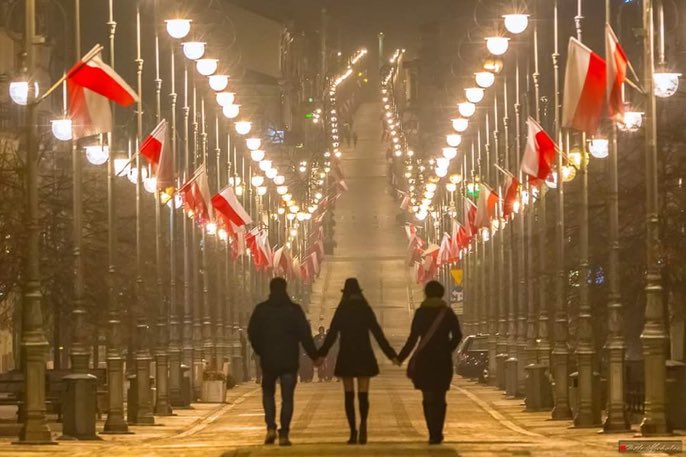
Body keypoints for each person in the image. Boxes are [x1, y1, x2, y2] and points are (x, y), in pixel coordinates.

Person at [317, 278, 398, 445]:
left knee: (348, 394)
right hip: (364, 354)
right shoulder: (364, 308)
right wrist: (391, 354)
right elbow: (377, 332)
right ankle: (364, 425)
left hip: (346, 353)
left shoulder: (342, 309)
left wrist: (321, 354)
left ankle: (353, 431)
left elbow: (332, 334)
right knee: (363, 393)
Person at [248, 277, 322, 446]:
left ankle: (270, 428)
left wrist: (260, 350)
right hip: (289, 361)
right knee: (287, 398)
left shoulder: (261, 310)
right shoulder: (294, 310)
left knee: (268, 394)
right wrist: (315, 356)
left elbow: (252, 332)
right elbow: (305, 335)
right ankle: (284, 433)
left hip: (269, 361)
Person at [397, 281, 462, 445]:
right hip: (442, 361)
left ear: (426, 293)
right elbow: (457, 335)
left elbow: (413, 338)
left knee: (427, 397)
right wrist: (447, 348)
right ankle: (438, 431)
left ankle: (432, 432)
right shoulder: (447, 313)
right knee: (440, 397)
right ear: (441, 293)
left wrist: (400, 357)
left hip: (424, 361)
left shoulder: (421, 313)